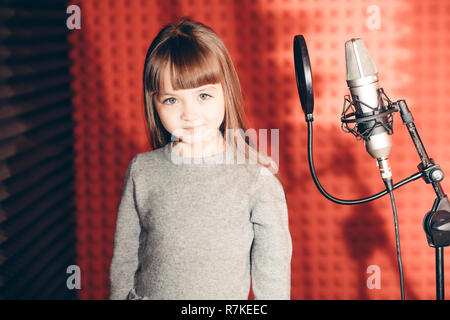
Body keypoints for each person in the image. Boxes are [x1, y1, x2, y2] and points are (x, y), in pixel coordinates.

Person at [109, 17, 292, 300]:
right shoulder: (142, 171)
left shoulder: (257, 178)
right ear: (154, 103)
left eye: (203, 96)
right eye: (171, 100)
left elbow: (274, 276)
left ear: (226, 91)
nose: (189, 114)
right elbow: (124, 260)